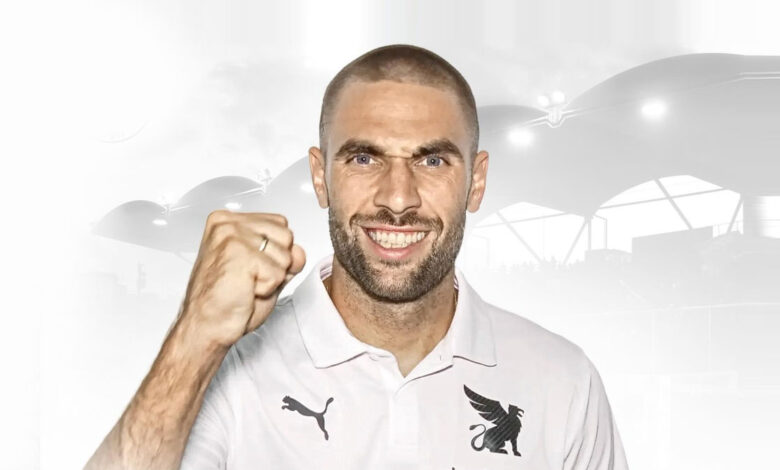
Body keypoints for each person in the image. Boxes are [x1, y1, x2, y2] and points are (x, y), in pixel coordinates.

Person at [85, 44, 628, 470]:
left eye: (432, 161)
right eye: (365, 158)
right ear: (321, 177)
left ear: (477, 181)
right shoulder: (228, 371)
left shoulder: (562, 380)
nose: (398, 198)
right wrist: (193, 339)